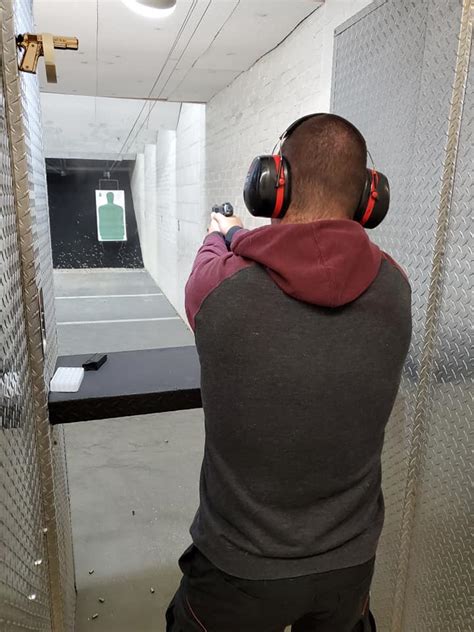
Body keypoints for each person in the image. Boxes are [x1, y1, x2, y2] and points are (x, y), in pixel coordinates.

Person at [166, 114, 412, 631]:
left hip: (239, 568)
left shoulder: (219, 290)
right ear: (369, 199)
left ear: (273, 186)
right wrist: (238, 234)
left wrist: (220, 235)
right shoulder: (396, 288)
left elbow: (213, 270)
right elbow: (314, 256)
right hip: (350, 565)